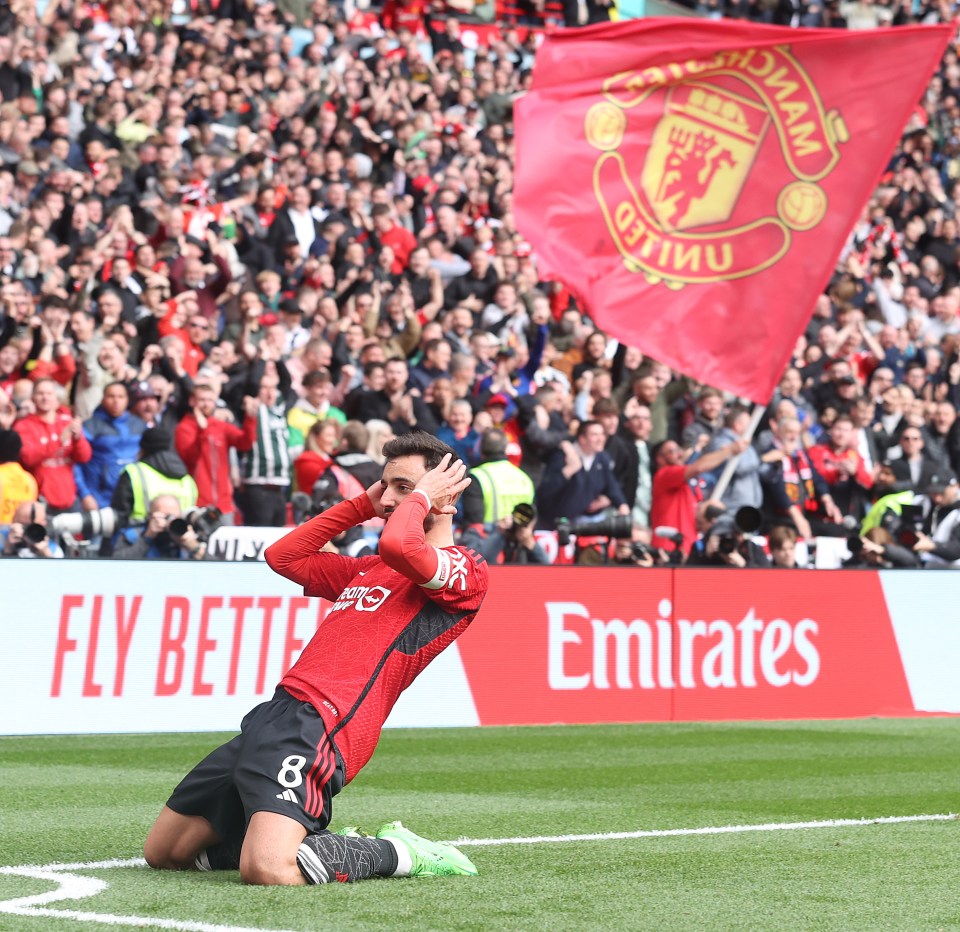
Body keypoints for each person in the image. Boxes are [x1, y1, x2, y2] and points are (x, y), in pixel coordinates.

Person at [144, 431, 487, 885]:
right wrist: (364, 503)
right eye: (385, 486)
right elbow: (282, 556)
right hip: (275, 713)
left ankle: (398, 852)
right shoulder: (367, 566)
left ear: (448, 494)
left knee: (268, 870)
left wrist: (420, 498)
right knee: (165, 853)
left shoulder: (466, 568)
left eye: (403, 487)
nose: (390, 499)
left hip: (326, 724)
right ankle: (301, 843)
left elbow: (401, 546)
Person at [112, 493, 216, 561]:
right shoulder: (133, 535)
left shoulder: (189, 534)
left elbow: (219, 571)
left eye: (173, 516)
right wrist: (147, 538)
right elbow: (116, 564)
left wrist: (194, 547)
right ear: (150, 516)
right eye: (164, 516)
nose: (169, 522)